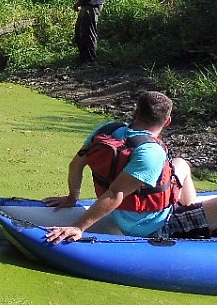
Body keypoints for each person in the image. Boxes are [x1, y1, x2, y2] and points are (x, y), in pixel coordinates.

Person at [44, 91, 217, 244]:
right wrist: (78, 228)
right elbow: (114, 194)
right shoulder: (152, 153)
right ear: (167, 122)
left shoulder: (107, 130)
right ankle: (195, 226)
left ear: (135, 112)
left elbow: (76, 165)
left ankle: (187, 207)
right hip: (151, 227)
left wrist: (72, 197)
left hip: (126, 213)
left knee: (181, 164)